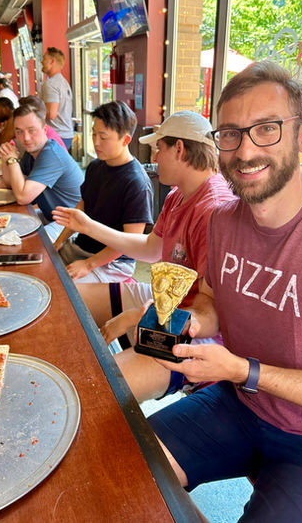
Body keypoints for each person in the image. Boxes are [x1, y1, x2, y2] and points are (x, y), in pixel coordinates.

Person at [141, 62, 302, 522]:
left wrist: (245, 370)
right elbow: (212, 302)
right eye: (230, 133)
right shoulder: (223, 221)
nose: (245, 150)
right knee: (126, 466)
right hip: (240, 403)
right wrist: (192, 321)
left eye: (266, 129)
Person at [53, 110, 235, 399]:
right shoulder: (177, 195)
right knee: (63, 297)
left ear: (180, 149)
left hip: (196, 333)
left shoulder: (215, 210)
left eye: (159, 148)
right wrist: (87, 226)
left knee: (95, 390)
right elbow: (151, 249)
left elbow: (212, 314)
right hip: (164, 304)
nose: (155, 156)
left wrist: (140, 317)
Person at [53, 101, 154, 283]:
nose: (96, 142)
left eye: (103, 137)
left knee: (66, 292)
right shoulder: (95, 166)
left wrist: (88, 264)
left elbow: (130, 242)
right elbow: (81, 208)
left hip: (114, 262)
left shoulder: (137, 183)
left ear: (125, 140)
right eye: (93, 133)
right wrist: (59, 241)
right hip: (81, 248)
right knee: (43, 267)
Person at [0, 96, 83, 232]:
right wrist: (5, 157)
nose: (25, 138)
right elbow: (10, 184)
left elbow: (22, 197)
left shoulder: (51, 154)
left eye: (32, 130)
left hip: (73, 225)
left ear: (44, 130)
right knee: (7, 227)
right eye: (19, 131)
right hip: (52, 216)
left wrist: (12, 160)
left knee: (24, 245)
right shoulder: (32, 152)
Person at [40, 47, 74, 151]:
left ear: (52, 61)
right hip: (66, 134)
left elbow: (51, 114)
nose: (42, 61)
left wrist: (33, 112)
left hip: (56, 135)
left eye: (44, 58)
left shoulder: (51, 84)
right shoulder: (64, 82)